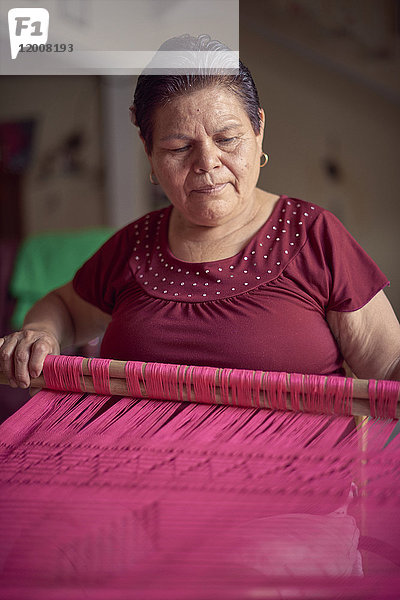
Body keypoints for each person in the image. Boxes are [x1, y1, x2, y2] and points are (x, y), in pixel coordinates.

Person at [1, 34, 400, 389]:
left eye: (227, 139)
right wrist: (40, 331)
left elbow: (390, 366)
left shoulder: (313, 236)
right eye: (178, 148)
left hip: (293, 470)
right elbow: (65, 309)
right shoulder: (135, 246)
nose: (207, 162)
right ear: (150, 152)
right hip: (140, 467)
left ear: (258, 129)